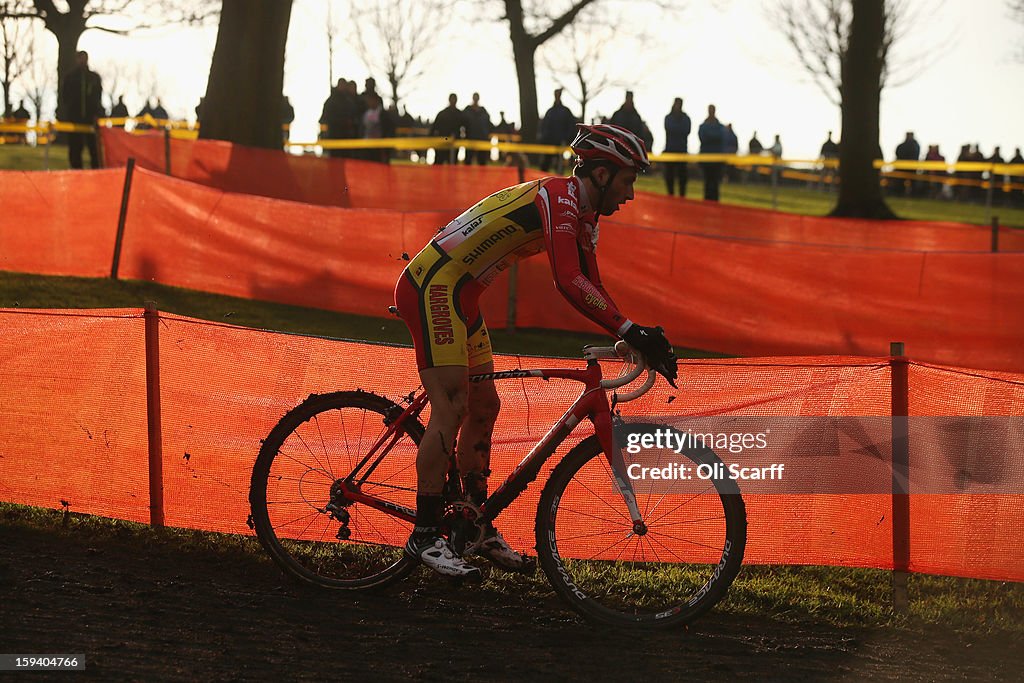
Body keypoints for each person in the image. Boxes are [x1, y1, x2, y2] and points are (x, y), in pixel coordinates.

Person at [393, 124, 679, 578]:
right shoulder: (560, 197)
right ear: (602, 175)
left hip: (461, 296)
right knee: (450, 407)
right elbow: (567, 279)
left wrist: (631, 335)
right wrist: (630, 329)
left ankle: (472, 524)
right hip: (433, 287)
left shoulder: (583, 216)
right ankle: (425, 535)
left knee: (484, 406)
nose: (632, 194)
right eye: (629, 181)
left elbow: (592, 285)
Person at [58, 50, 104, 169]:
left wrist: (97, 113)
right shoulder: (70, 77)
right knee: (75, 148)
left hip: (91, 120)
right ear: (76, 59)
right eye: (80, 58)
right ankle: (76, 172)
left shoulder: (94, 78)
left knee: (94, 148)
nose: (82, 61)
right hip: (74, 119)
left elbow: (98, 98)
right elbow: (64, 97)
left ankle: (97, 172)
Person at [538, 88, 576, 172]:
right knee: (545, 166)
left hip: (560, 143)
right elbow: (544, 126)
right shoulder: (550, 111)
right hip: (549, 143)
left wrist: (566, 139)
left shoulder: (565, 111)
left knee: (559, 167)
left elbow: (571, 126)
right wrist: (543, 138)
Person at [662, 97, 691, 196]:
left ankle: (682, 196)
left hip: (682, 151)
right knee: (669, 176)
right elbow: (670, 129)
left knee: (683, 177)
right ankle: (670, 194)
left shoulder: (686, 118)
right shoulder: (668, 117)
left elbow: (686, 130)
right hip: (670, 150)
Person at [697, 104, 726, 201]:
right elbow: (703, 137)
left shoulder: (719, 126)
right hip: (706, 159)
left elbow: (721, 137)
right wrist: (714, 137)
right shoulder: (703, 126)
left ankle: (715, 201)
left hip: (717, 159)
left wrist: (710, 136)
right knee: (707, 182)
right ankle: (707, 201)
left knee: (715, 182)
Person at [430, 93, 466, 164]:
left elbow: (464, 128)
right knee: (439, 165)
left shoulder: (460, 114)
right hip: (442, 142)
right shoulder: (442, 114)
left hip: (453, 143)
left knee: (452, 166)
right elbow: (434, 129)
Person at [463, 92, 493, 165]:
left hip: (482, 140)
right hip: (470, 139)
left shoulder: (483, 111)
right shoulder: (467, 110)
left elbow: (489, 125)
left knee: (482, 162)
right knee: (468, 161)